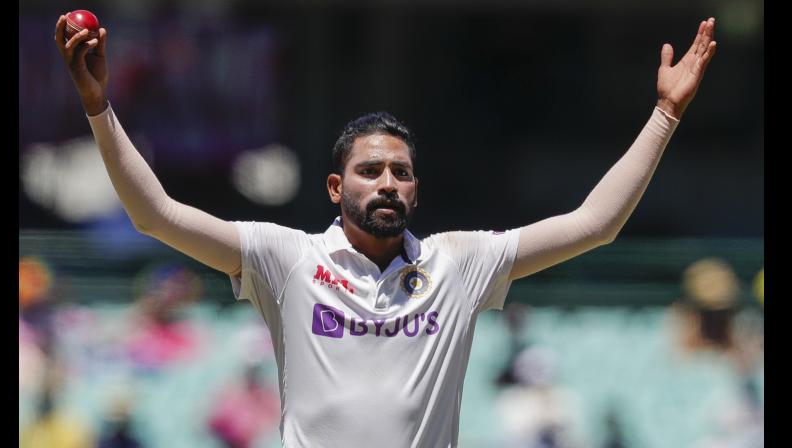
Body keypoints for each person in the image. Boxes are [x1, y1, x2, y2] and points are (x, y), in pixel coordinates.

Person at [55, 13, 717, 447]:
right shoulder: (286, 259)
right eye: (370, 170)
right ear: (337, 188)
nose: (388, 182)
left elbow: (594, 224)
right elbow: (155, 215)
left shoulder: (460, 265)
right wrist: (99, 105)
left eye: (401, 171)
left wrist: (663, 114)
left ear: (417, 189)